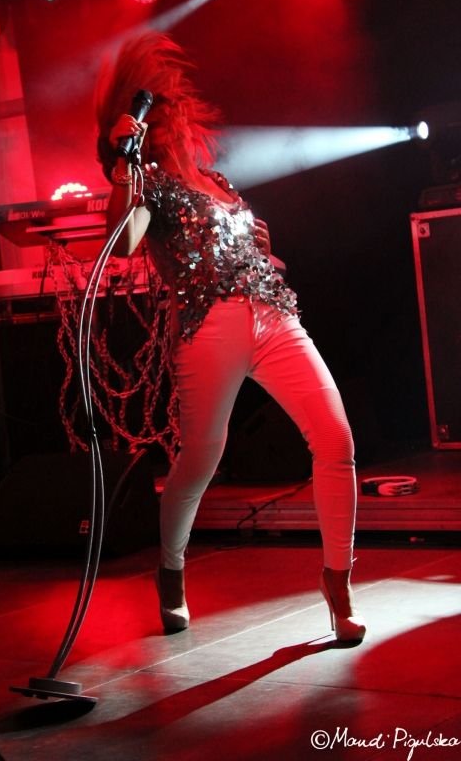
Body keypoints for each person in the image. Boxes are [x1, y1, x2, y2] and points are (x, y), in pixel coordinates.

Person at [95, 31, 366, 642]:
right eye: (157, 117)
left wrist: (261, 248)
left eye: (172, 112)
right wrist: (122, 165)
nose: (171, 123)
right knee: (201, 458)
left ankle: (338, 583)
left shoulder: (219, 180)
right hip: (207, 325)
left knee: (335, 437)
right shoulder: (148, 185)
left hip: (272, 314)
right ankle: (170, 571)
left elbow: (240, 247)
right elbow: (125, 242)